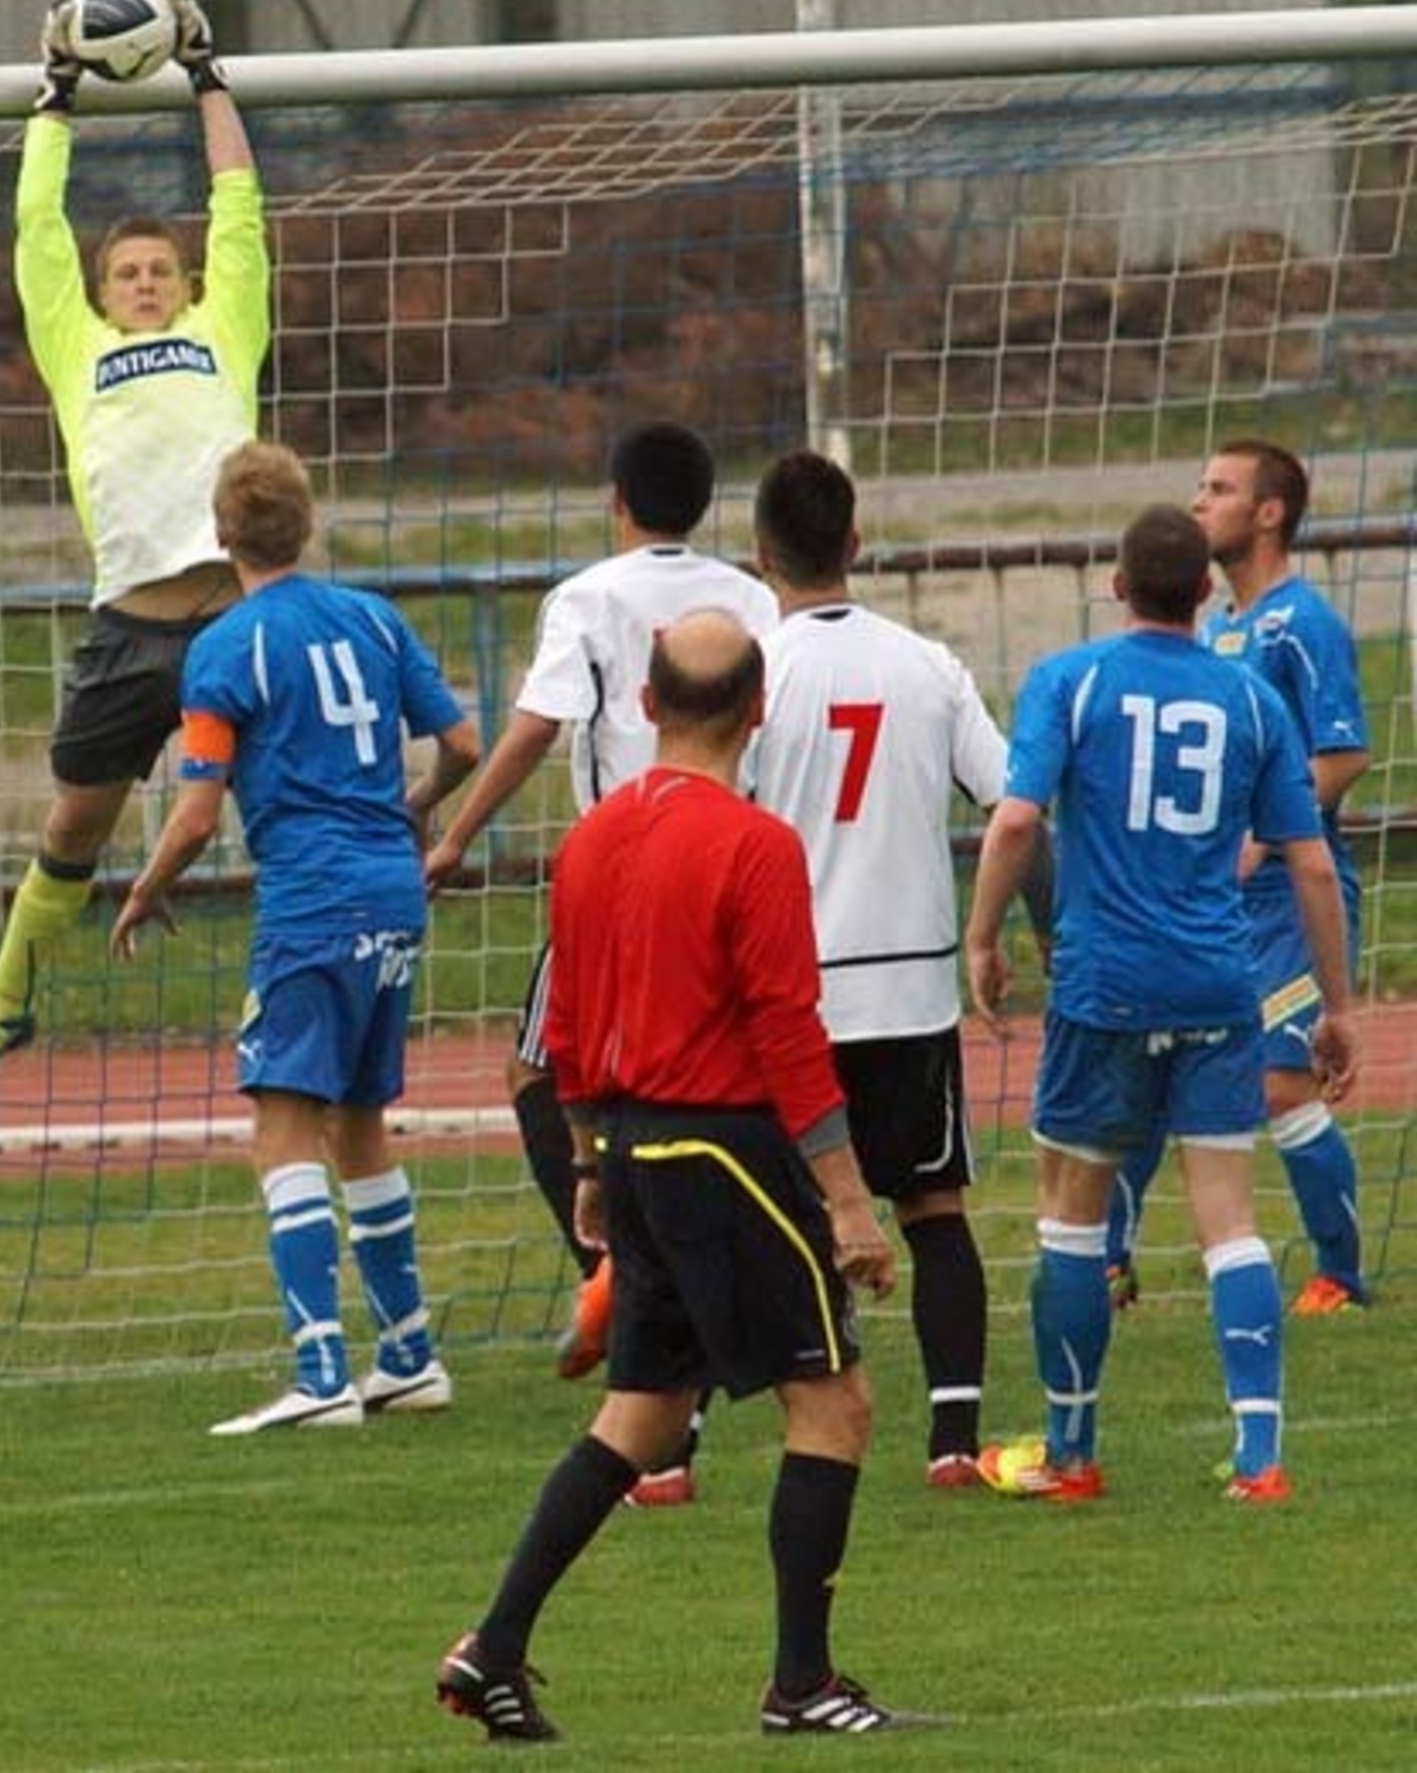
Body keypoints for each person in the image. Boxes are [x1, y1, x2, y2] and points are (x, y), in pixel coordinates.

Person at [436, 608, 907, 1744]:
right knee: (832, 1402)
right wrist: (846, 1199)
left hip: (636, 1149)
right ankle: (800, 1682)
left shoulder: (590, 838)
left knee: (643, 1415)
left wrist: (591, 1163)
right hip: (723, 1151)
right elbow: (787, 1036)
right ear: (758, 710)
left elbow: (571, 1021)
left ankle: (491, 1649)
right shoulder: (753, 846)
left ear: (643, 705)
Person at [966, 506, 1359, 1506]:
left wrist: (981, 936)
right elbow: (1309, 859)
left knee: (1069, 1215)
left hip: (1103, 986)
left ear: (1114, 586)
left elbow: (1014, 820)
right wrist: (1337, 1004)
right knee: (1226, 1214)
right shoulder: (1248, 698)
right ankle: (1259, 1458)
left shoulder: (1070, 679)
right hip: (1219, 986)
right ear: (1200, 596)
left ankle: (1068, 1451)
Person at [422, 420, 777, 1504]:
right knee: (718, 1089)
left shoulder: (586, 597)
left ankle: (625, 1285)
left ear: (616, 500)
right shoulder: (749, 599)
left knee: (553, 1073)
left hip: (625, 876)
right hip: (736, 862)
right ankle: (698, 1324)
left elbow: (532, 730)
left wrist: (451, 834)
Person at [0, 0, 271, 1101]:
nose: (141, 282)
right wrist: (57, 95)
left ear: (184, 287)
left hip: (236, 615)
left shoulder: (222, 330)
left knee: (287, 809)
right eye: (125, 273)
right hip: (129, 627)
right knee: (72, 825)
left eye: (157, 272)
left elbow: (236, 203)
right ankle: (3, 1003)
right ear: (97, 290)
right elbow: (37, 224)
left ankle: (281, 995)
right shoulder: (75, 351)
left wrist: (206, 76)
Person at [110, 441, 479, 1434]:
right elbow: (462, 745)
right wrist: (412, 807)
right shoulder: (370, 616)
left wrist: (145, 888)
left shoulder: (225, 648)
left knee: (279, 1123)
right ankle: (407, 1355)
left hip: (312, 900)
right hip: (391, 893)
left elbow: (193, 815)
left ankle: (319, 1371)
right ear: (305, 524)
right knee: (356, 1121)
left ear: (221, 533)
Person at [744, 448, 1046, 1489]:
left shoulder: (751, 674)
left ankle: (675, 1447)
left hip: (789, 993)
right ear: (856, 545)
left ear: (756, 556)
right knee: (933, 1211)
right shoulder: (927, 666)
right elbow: (1013, 801)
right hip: (910, 985)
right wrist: (1006, 931)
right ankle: (952, 1440)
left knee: (760, 1214)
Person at [1105, 441, 1372, 1314]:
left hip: (1292, 896)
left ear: (1267, 513)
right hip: (1218, 901)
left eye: (1218, 490)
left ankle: (1340, 1272)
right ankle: (1110, 1255)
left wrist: (1263, 831)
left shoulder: (1304, 624)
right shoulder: (1220, 628)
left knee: (1278, 1081)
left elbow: (1343, 753)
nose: (1199, 502)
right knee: (1156, 1059)